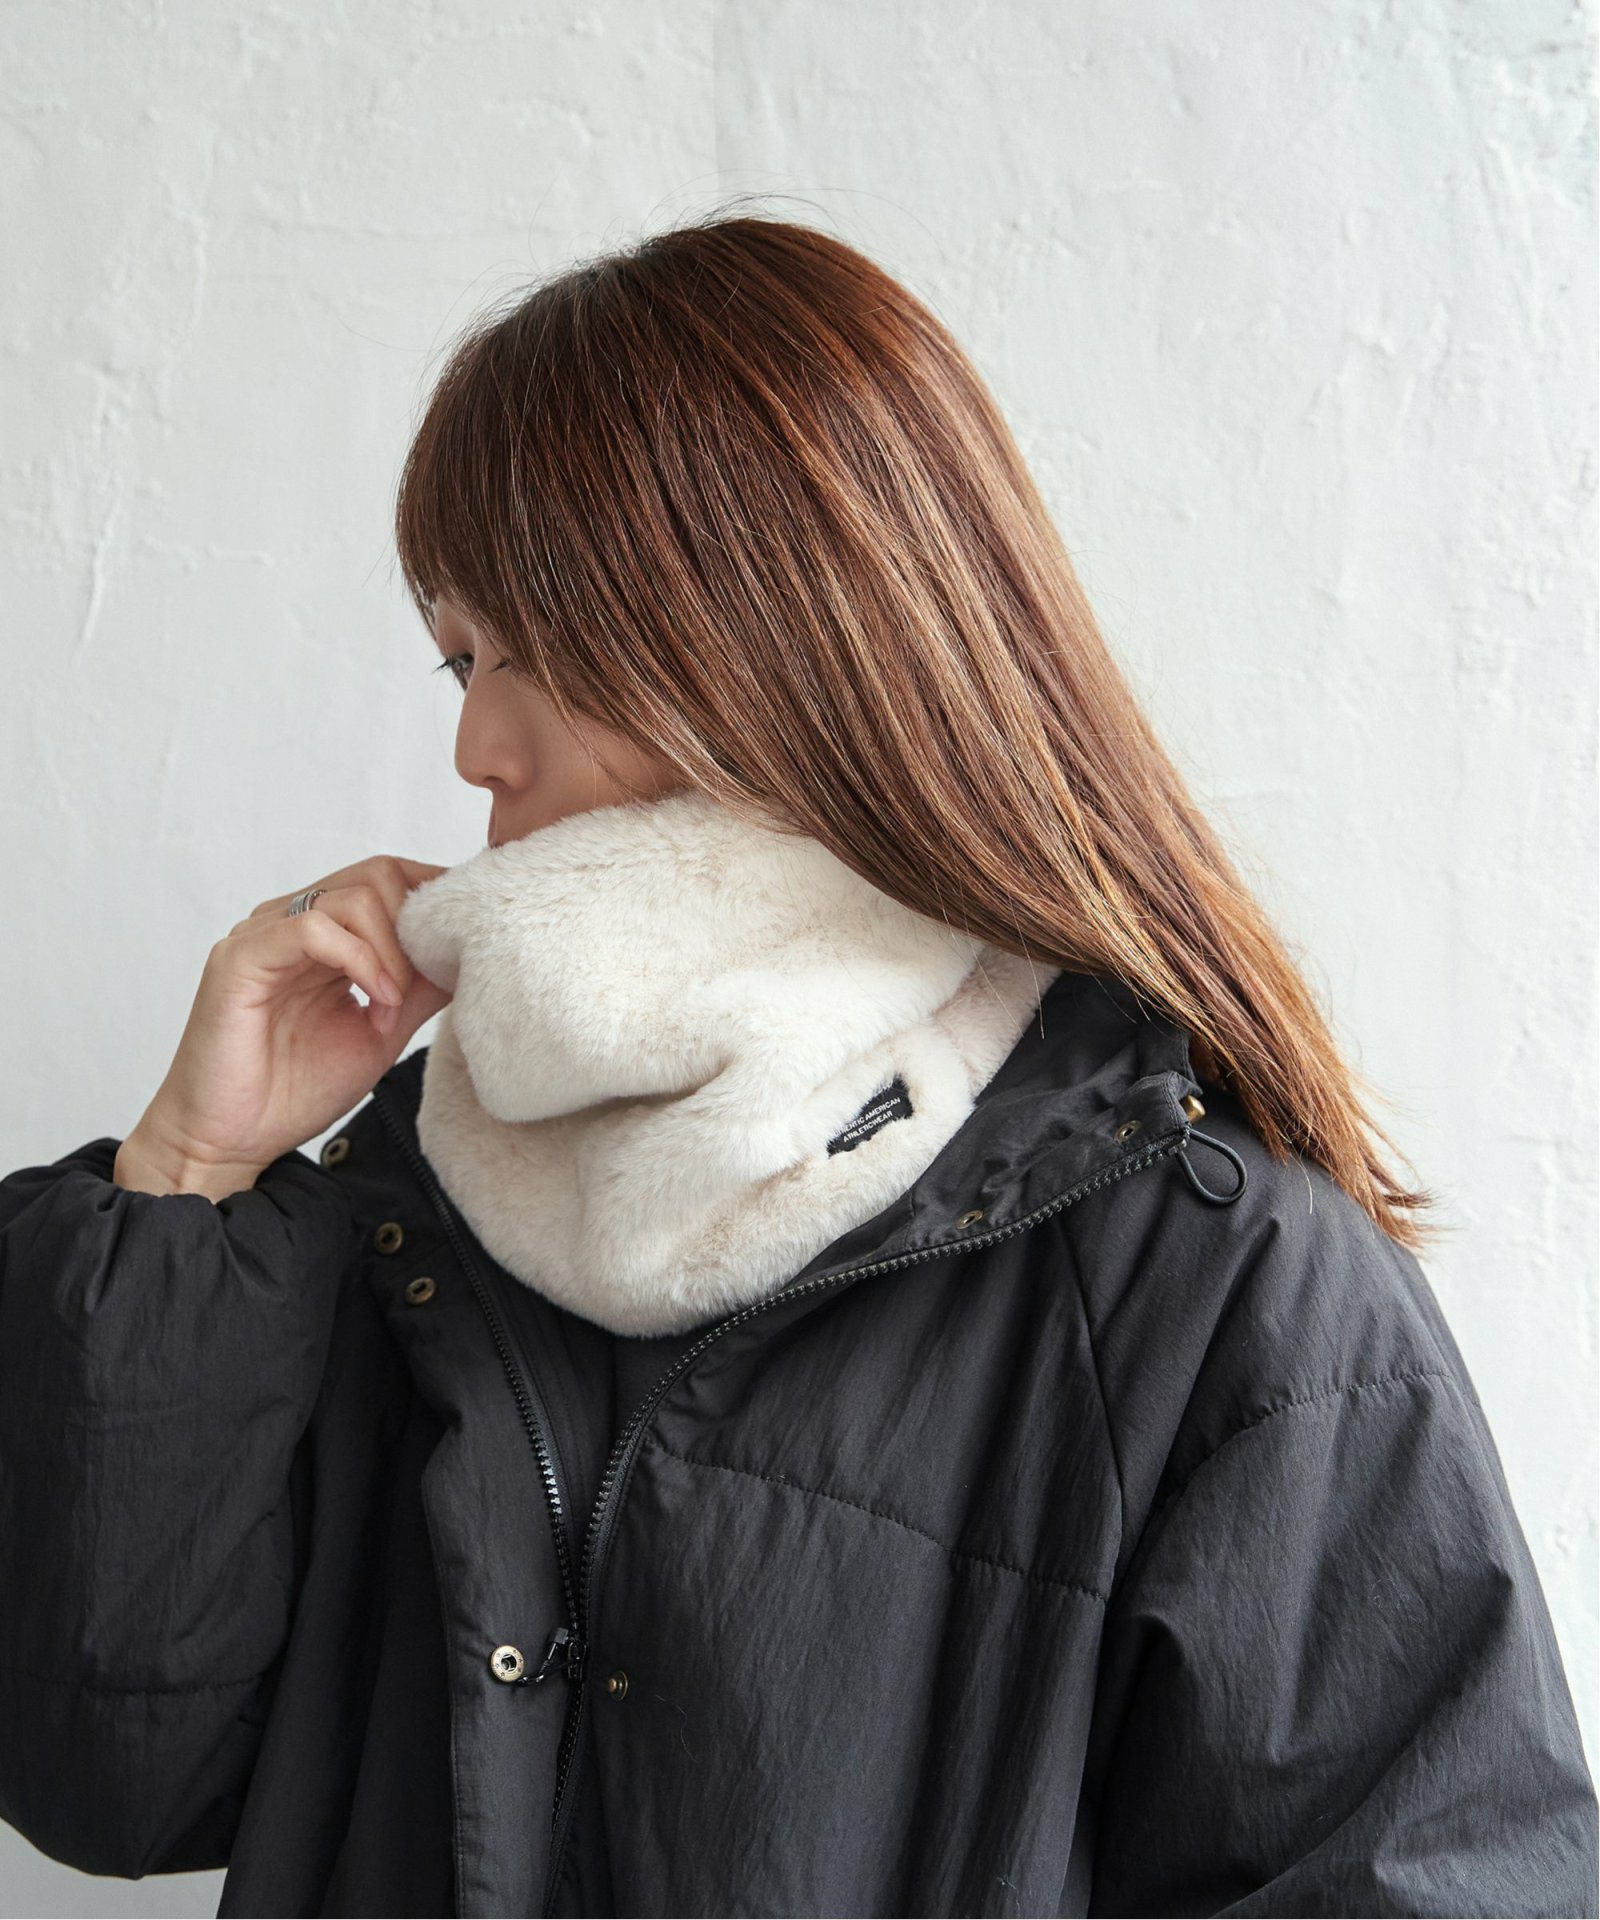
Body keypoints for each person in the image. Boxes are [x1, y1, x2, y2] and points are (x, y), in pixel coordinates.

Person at [0, 212, 1593, 1920]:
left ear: (786, 627)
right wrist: (189, 1176)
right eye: (461, 659)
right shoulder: (414, 1212)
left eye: (534, 647)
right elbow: (117, 1780)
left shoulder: (1201, 1274)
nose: (474, 743)